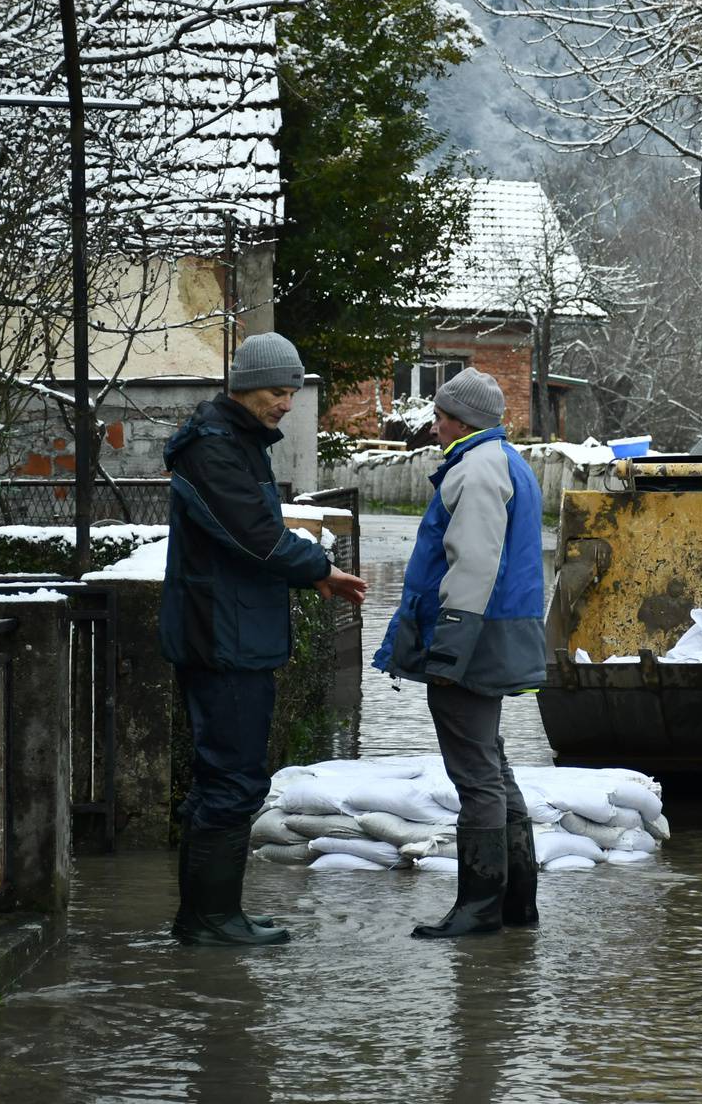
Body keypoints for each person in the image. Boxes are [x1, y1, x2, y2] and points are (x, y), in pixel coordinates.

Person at [161, 332, 368, 946]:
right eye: (279, 391)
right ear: (246, 385)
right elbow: (253, 534)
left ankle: (211, 914)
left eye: (292, 393)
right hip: (221, 639)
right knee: (231, 781)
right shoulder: (214, 448)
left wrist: (308, 573)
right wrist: (318, 569)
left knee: (229, 779)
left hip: (234, 632)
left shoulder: (238, 444)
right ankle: (210, 919)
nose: (286, 404)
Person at [374, 367, 545, 939]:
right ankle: (518, 901)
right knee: (492, 767)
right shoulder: (506, 463)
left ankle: (479, 907)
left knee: (475, 774)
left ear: (463, 420)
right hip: (497, 635)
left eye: (443, 414)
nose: (436, 422)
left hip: (470, 640)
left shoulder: (475, 469)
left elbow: (472, 565)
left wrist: (446, 652)